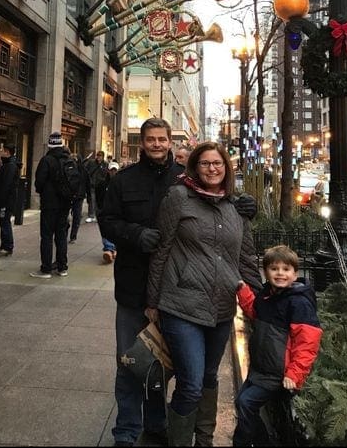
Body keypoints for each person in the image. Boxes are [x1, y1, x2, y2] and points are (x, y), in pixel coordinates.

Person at [146, 141, 263, 447]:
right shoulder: (179, 197)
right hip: (181, 303)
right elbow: (162, 249)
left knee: (210, 379)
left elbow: (246, 257)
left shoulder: (235, 206)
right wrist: (152, 301)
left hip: (222, 307)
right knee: (192, 383)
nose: (212, 168)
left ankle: (205, 440)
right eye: (205, 163)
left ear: (226, 167)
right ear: (195, 168)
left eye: (218, 163)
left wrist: (262, 301)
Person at [99, 117, 184, 448]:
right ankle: (126, 430)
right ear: (143, 142)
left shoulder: (185, 180)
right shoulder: (124, 180)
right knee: (130, 361)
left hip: (173, 289)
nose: (157, 145)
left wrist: (242, 209)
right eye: (151, 139)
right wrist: (135, 235)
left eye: (162, 139)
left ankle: (156, 422)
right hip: (133, 289)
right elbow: (107, 221)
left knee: (163, 363)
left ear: (169, 141)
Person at [233, 245, 322, 447]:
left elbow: (307, 343)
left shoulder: (299, 303)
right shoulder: (267, 296)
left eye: (286, 269)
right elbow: (254, 312)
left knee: (246, 403)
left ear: (295, 273)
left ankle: (245, 442)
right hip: (261, 369)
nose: (280, 273)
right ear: (265, 272)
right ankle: (262, 441)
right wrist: (242, 291)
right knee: (242, 403)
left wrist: (294, 373)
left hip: (278, 374)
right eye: (274, 269)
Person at [30, 131, 73, 278]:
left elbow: (39, 183)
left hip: (49, 204)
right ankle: (62, 267)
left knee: (47, 236)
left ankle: (46, 269)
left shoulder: (46, 160)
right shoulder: (68, 160)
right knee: (61, 236)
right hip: (65, 204)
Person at [0, 143, 20, 257]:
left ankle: (7, 246)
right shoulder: (8, 165)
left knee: (5, 223)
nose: (1, 153)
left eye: (3, 150)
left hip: (6, 201)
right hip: (5, 200)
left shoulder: (10, 166)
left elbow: (6, 185)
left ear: (7, 152)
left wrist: (1, 201)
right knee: (3, 222)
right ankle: (4, 245)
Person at [68, 152, 91, 244]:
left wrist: (89, 196)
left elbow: (88, 183)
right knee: (68, 217)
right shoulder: (68, 169)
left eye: (75, 159)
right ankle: (66, 233)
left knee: (76, 216)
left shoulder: (83, 170)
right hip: (70, 195)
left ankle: (73, 236)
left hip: (78, 196)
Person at [99, 161, 119, 264]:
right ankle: (110, 249)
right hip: (104, 211)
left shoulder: (120, 183)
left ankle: (111, 249)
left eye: (115, 170)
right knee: (105, 230)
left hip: (116, 212)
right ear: (108, 171)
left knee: (114, 230)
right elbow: (99, 196)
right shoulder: (103, 183)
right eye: (112, 170)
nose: (113, 172)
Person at [85, 150, 108, 223]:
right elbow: (86, 170)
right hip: (92, 184)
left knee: (99, 201)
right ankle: (91, 215)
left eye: (100, 156)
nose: (98, 157)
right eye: (98, 156)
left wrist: (103, 181)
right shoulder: (92, 162)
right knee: (92, 200)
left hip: (101, 186)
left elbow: (105, 174)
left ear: (103, 157)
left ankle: (97, 215)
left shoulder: (105, 164)